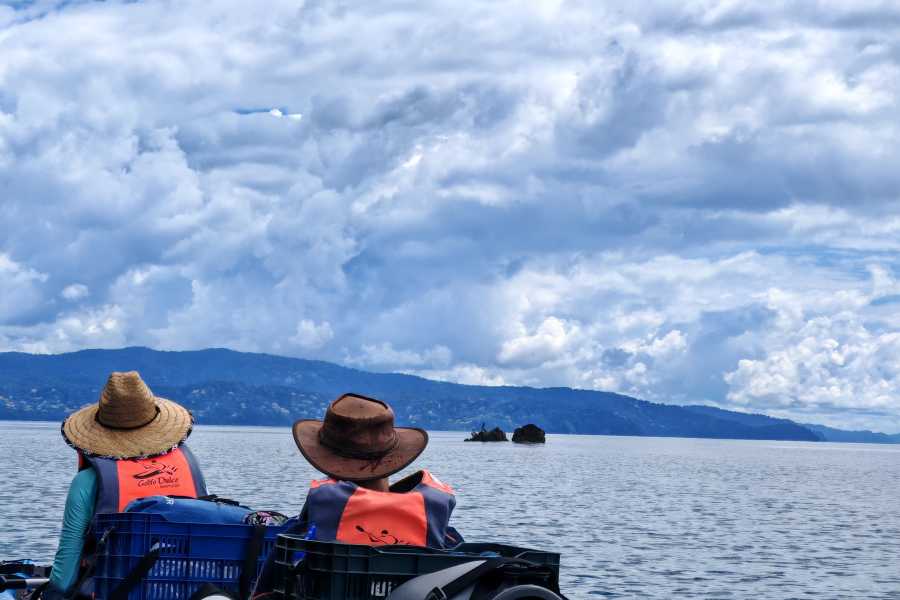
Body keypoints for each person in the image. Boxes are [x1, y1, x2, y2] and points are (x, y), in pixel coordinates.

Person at [252, 393, 460, 598]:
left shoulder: (301, 536)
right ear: (392, 461)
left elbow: (262, 594)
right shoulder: (443, 535)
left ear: (329, 465)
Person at [44, 371, 207, 599]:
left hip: (113, 591)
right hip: (183, 589)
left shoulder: (87, 482)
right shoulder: (189, 467)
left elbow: (65, 572)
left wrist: (50, 594)